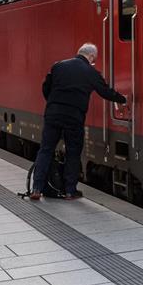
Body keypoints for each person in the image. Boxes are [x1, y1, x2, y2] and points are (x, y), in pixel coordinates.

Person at [30, 43, 127, 201]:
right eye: (93, 59)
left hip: (53, 114)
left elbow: (45, 87)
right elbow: (105, 92)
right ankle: (70, 191)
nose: (93, 62)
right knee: (73, 152)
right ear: (91, 56)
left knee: (46, 150)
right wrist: (123, 99)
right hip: (74, 117)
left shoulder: (58, 66)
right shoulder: (90, 72)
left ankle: (36, 188)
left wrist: (53, 103)